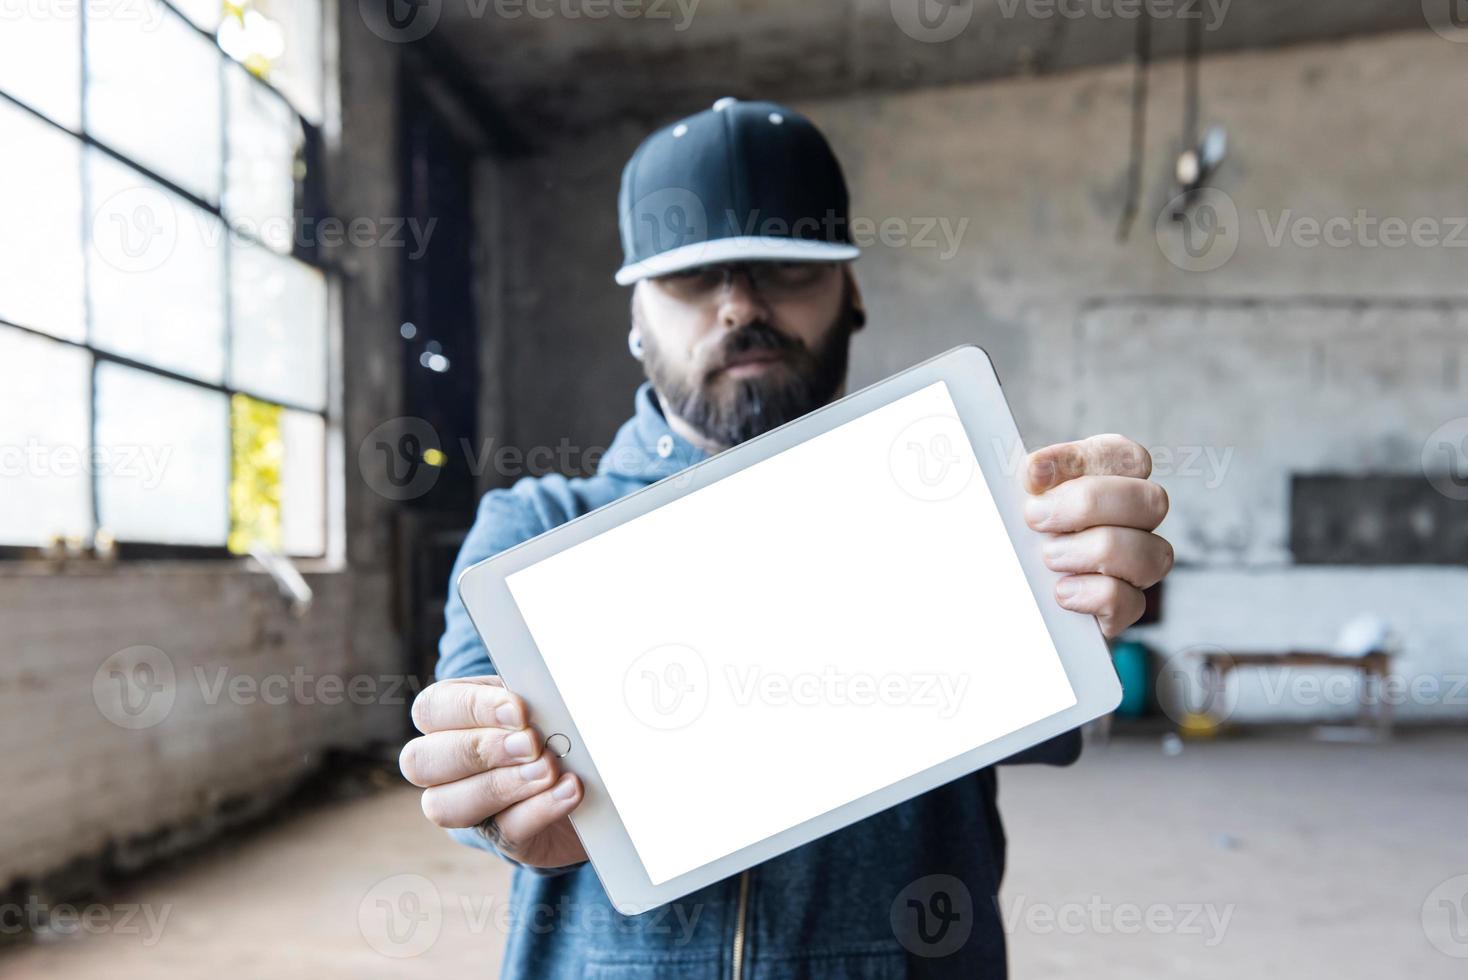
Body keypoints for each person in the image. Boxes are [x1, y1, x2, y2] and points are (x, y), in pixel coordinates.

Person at [400, 97, 1174, 978]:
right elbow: (477, 767)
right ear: (635, 318)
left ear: (854, 293)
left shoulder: (967, 512)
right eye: (693, 279)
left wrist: (1090, 581)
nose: (740, 305)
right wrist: (493, 797)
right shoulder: (533, 528)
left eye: (784, 268)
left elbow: (1048, 718)